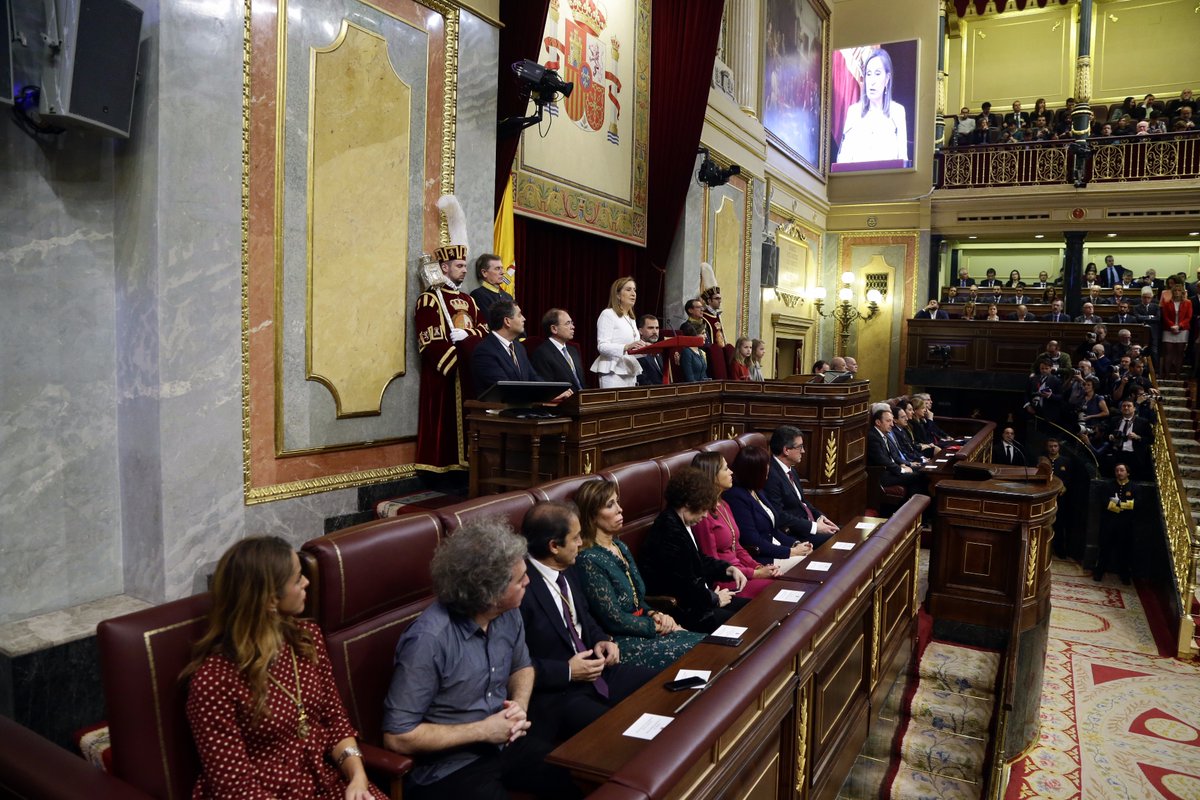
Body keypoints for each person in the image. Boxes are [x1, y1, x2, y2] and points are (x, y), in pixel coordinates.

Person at [382, 521, 581, 800]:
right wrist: (483, 730)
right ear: (490, 594)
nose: (528, 582)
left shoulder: (508, 612)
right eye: (520, 579)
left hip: (505, 744)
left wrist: (519, 707)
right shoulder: (429, 640)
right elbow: (397, 736)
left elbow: (522, 667)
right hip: (450, 767)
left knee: (578, 777)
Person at [183, 537, 387, 800]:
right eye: (298, 578)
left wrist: (358, 778)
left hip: (323, 783)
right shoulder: (214, 681)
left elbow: (335, 720)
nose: (307, 582)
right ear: (270, 600)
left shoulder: (306, 638)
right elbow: (234, 788)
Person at [516, 502, 654, 741]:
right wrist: (568, 671)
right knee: (618, 731)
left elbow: (584, 618)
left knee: (660, 687)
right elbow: (515, 664)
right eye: (576, 537)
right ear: (554, 546)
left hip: (598, 672)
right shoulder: (520, 589)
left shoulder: (568, 567)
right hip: (559, 693)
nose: (581, 543)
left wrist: (602, 640)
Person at [573, 478, 703, 670]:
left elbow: (637, 599)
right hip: (620, 642)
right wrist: (655, 625)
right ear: (591, 515)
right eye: (610, 505)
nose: (620, 509)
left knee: (706, 645)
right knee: (699, 655)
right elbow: (614, 619)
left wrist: (655, 613)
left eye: (617, 502)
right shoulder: (588, 559)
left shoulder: (620, 546)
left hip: (645, 627)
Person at [638, 468, 750, 633]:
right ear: (688, 504)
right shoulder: (668, 531)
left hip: (698, 601)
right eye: (703, 509)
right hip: (683, 611)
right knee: (744, 623)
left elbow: (698, 560)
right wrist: (714, 599)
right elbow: (683, 586)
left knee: (750, 609)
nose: (705, 515)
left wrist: (728, 569)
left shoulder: (681, 522)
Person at [414, 237, 486, 466]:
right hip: (446, 375)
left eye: (465, 265)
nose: (464, 270)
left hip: (469, 371)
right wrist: (457, 362)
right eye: (459, 265)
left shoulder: (469, 300)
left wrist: (468, 335)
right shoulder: (430, 299)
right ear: (444, 267)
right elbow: (430, 339)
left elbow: (485, 329)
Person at [690, 452, 780, 598]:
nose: (731, 472)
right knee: (774, 589)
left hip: (742, 571)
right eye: (726, 469)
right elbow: (713, 563)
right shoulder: (703, 516)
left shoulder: (724, 504)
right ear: (712, 475)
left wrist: (758, 566)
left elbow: (737, 547)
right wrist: (755, 573)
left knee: (780, 582)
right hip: (726, 579)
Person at [723, 445, 814, 569]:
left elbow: (773, 530)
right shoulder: (736, 497)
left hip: (778, 549)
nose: (769, 469)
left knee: (810, 555)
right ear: (754, 471)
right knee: (807, 563)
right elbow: (753, 540)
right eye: (765, 466)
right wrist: (791, 552)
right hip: (762, 558)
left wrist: (796, 544)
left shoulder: (757, 490)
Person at [764, 426, 838, 546]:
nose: (803, 451)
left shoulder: (790, 470)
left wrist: (819, 516)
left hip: (806, 525)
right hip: (793, 535)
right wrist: (814, 527)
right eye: (800, 447)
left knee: (841, 532)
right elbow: (779, 515)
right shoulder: (771, 476)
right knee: (835, 541)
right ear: (786, 450)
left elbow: (802, 502)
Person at [836, 48, 907, 164]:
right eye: (868, 74)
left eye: (877, 74)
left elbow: (903, 160)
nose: (872, 81)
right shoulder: (853, 113)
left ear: (887, 79)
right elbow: (842, 160)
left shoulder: (898, 112)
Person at [470, 300, 548, 397]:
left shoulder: (519, 347)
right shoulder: (484, 351)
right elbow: (505, 389)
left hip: (523, 403)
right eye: (519, 315)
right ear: (507, 321)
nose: (524, 319)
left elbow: (533, 377)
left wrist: (550, 392)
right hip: (498, 406)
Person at [591, 277, 645, 388]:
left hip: (630, 371)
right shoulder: (608, 314)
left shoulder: (631, 318)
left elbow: (632, 350)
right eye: (628, 290)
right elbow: (602, 346)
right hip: (612, 372)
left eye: (634, 290)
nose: (633, 294)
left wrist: (646, 349)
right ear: (618, 295)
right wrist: (626, 346)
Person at [1094, 463, 1137, 584]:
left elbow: (1136, 504)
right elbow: (1105, 502)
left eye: (1122, 470)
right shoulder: (1108, 486)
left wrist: (1119, 504)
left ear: (1127, 473)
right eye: (1117, 470)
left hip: (1126, 524)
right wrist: (1123, 506)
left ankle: (1125, 575)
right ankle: (1099, 572)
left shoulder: (1134, 487)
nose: (1119, 473)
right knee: (1104, 549)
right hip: (1109, 523)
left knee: (1124, 550)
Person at [866, 407, 923, 497]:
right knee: (917, 476)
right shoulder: (872, 437)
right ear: (878, 422)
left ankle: (911, 502)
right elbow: (882, 460)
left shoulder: (885, 434)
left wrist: (902, 465)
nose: (892, 424)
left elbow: (893, 456)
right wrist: (902, 470)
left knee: (923, 470)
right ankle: (913, 503)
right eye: (888, 421)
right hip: (882, 475)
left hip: (892, 470)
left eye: (892, 421)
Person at [530, 308, 586, 391]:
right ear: (554, 329)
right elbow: (546, 387)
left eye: (572, 323)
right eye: (568, 323)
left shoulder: (573, 350)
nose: (573, 327)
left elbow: (581, 383)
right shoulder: (541, 353)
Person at [1103, 399, 1152, 479]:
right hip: (1117, 454)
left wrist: (1138, 437)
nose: (1126, 408)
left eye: (1129, 406)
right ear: (1121, 408)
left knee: (1134, 479)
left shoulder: (1143, 422)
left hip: (1134, 456)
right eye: (1124, 406)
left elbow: (1151, 439)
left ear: (1134, 408)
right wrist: (1110, 436)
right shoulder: (1114, 420)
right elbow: (1105, 435)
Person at [1160, 284, 1191, 379]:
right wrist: (1172, 326)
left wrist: (1179, 326)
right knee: (1168, 352)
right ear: (1172, 292)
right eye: (1175, 290)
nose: (1177, 292)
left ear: (1182, 292)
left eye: (1179, 290)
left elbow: (1188, 317)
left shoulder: (1188, 302)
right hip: (1169, 329)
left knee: (1179, 353)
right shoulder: (1167, 302)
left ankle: (1178, 374)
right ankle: (1167, 374)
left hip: (1182, 330)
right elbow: (1165, 316)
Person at [469, 253, 513, 317]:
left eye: (502, 268)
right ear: (484, 273)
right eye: (497, 268)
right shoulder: (478, 295)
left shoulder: (508, 296)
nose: (503, 272)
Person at [634, 313, 664, 386]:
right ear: (640, 331)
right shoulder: (636, 350)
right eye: (650, 328)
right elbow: (641, 378)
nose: (655, 332)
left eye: (657, 328)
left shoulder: (659, 350)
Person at [699, 282, 727, 347]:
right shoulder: (703, 317)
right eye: (717, 298)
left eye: (720, 298)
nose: (720, 301)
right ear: (709, 301)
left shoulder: (717, 315)